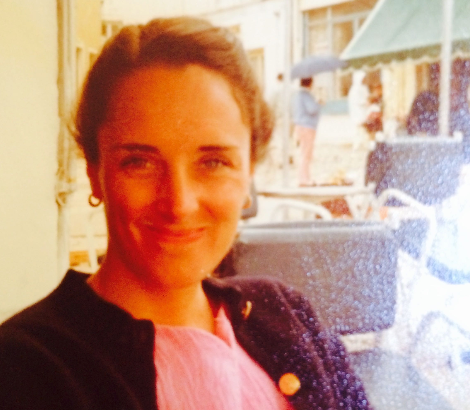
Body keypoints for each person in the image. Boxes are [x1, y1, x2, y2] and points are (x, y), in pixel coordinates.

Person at [0, 17, 371, 410]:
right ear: (95, 172)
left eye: (213, 162)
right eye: (139, 162)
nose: (179, 204)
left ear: (249, 173)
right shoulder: (28, 367)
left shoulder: (287, 314)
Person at [291, 77, 321, 186]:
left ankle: (303, 177)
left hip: (300, 125)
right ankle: (304, 179)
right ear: (310, 83)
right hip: (307, 126)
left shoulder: (297, 95)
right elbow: (312, 109)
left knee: (304, 152)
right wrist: (318, 103)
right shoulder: (306, 95)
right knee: (306, 153)